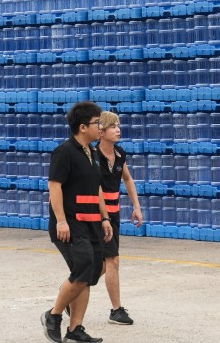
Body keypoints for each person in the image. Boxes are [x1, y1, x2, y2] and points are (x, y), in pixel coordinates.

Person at [42, 101, 113, 343]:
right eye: (97, 124)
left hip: (92, 222)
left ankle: (75, 329)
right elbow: (55, 187)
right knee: (83, 268)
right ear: (83, 127)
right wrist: (61, 221)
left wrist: (105, 218)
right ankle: (53, 315)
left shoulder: (92, 153)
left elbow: (97, 189)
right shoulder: (65, 151)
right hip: (71, 225)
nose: (100, 128)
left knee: (92, 271)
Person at [95, 110, 144, 325]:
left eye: (118, 126)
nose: (118, 130)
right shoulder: (91, 156)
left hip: (113, 215)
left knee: (105, 264)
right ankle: (116, 310)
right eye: (113, 127)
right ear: (101, 132)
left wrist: (136, 206)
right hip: (96, 215)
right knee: (112, 260)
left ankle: (73, 289)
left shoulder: (120, 154)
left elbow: (128, 179)